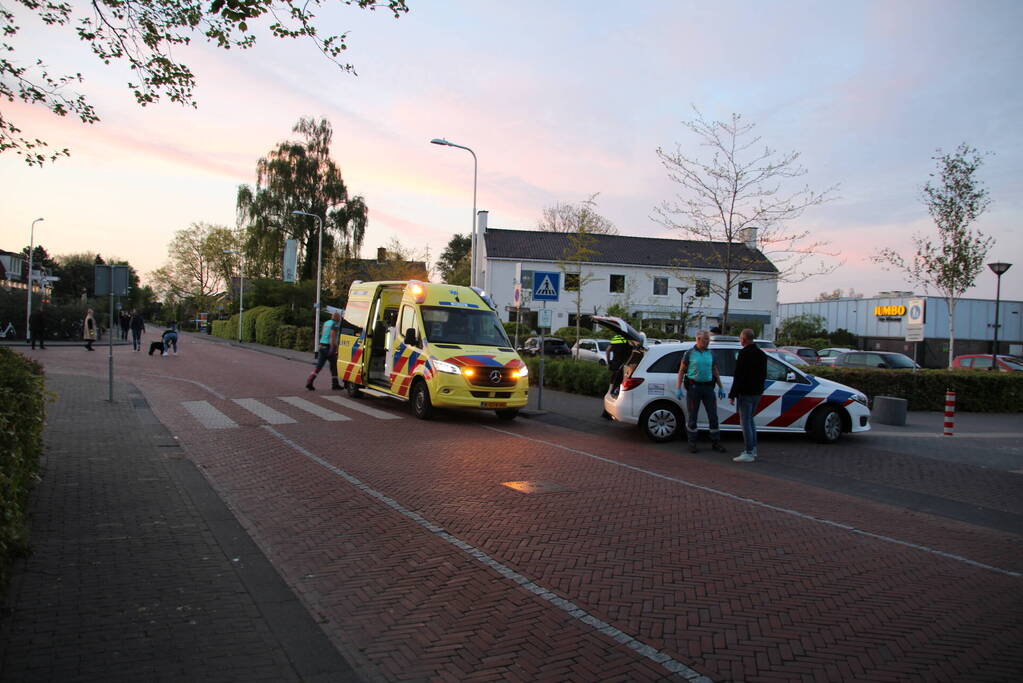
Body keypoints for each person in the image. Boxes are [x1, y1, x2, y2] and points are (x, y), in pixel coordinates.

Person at [676, 329, 726, 454]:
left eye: (708, 339)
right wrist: (678, 387)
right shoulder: (690, 353)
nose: (708, 342)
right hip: (694, 388)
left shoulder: (711, 354)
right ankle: (692, 443)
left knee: (713, 416)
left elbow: (715, 370)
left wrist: (720, 386)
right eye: (705, 339)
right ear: (698, 339)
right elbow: (682, 370)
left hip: (708, 388)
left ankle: (716, 442)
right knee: (693, 417)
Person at [728, 328, 768, 463]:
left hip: (745, 393)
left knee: (745, 422)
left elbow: (739, 375)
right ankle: (753, 448)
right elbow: (764, 374)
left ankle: (748, 452)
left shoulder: (743, 354)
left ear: (744, 339)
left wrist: (732, 394)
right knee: (751, 421)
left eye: (740, 338)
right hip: (757, 392)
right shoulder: (762, 354)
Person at [306, 311, 342, 391]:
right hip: (329, 347)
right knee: (334, 366)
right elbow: (332, 336)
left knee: (319, 366)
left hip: (322, 345)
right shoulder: (335, 324)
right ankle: (335, 384)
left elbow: (324, 334)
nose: (340, 319)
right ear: (337, 318)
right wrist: (333, 347)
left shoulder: (326, 323)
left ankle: (310, 381)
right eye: (339, 318)